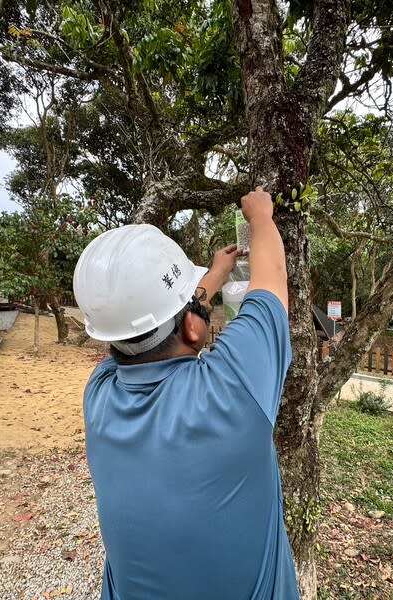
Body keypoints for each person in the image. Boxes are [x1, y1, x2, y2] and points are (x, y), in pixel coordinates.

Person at [73, 187, 299, 600]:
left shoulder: (99, 395)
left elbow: (142, 334)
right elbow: (272, 281)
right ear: (192, 328)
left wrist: (212, 277)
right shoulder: (232, 387)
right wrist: (261, 218)